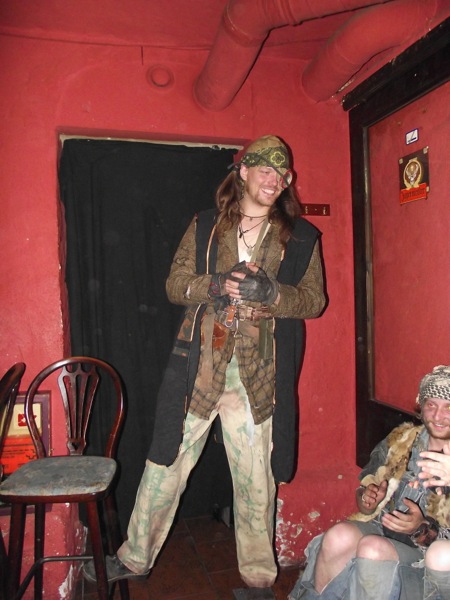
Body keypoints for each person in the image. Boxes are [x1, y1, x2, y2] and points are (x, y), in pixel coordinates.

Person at [83, 134, 326, 590]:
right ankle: (135, 558)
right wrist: (215, 285)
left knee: (256, 482)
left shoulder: (300, 236)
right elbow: (175, 284)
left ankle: (258, 579)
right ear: (243, 171)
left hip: (259, 374)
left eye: (283, 174)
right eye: (267, 170)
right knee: (165, 464)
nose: (276, 180)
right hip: (201, 366)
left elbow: (314, 301)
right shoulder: (206, 226)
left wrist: (273, 294)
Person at [288, 364, 450, 600]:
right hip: (383, 528)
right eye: (431, 405)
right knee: (339, 536)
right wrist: (368, 498)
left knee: (372, 548)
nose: (437, 416)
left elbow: (442, 550)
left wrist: (420, 528)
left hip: (428, 554)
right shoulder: (403, 440)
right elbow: (366, 495)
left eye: (448, 407)